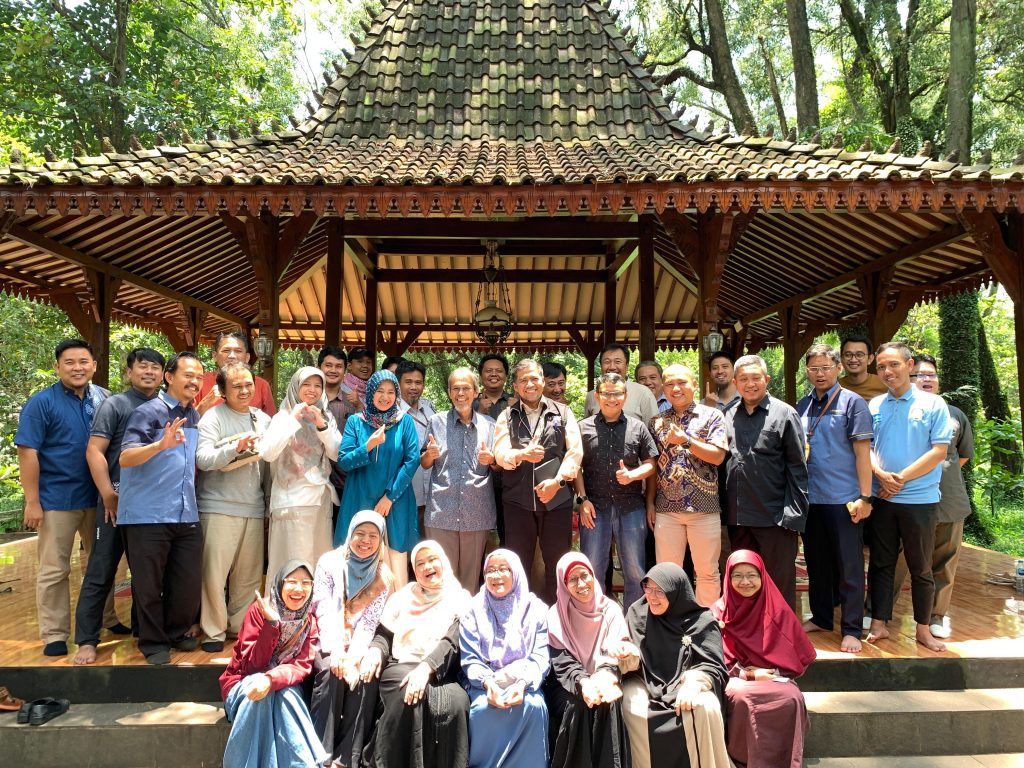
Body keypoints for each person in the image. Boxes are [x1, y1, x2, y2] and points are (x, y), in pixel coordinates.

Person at [16, 339, 109, 657]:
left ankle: (106, 619)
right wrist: (32, 501)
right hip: (57, 498)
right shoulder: (41, 403)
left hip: (99, 497)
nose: (77, 368)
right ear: (57, 367)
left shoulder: (104, 399)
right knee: (55, 569)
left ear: (94, 365)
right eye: (69, 362)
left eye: (83, 361)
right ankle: (54, 634)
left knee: (101, 563)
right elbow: (27, 452)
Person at [74, 347, 165, 665]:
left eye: (155, 367)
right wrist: (107, 493)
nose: (149, 372)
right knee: (101, 569)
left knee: (147, 574)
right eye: (143, 366)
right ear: (129, 371)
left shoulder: (165, 406)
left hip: (152, 506)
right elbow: (94, 451)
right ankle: (87, 639)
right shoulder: (115, 405)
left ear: (164, 374)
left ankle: (143, 632)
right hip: (115, 502)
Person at [118, 351, 204, 665]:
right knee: (148, 584)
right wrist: (159, 445)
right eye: (188, 375)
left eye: (199, 377)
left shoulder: (193, 415)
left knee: (186, 580)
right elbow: (125, 458)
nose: (194, 381)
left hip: (185, 511)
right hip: (147, 513)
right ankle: (153, 642)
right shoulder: (148, 412)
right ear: (169, 377)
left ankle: (176, 631)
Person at [866, 342, 952, 652]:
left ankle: (923, 629)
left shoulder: (933, 404)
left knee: (921, 568)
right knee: (881, 563)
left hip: (920, 501)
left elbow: (938, 451)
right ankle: (879, 623)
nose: (887, 371)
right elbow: (866, 448)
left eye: (894, 365)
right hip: (883, 498)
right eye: (881, 367)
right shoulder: (875, 405)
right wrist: (880, 474)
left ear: (909, 365)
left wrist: (899, 478)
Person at [797, 344, 873, 653]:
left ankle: (851, 628)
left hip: (844, 497)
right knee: (816, 563)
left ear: (838, 368)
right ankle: (821, 617)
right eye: (814, 368)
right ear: (807, 371)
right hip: (811, 498)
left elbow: (863, 454)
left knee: (849, 566)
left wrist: (865, 497)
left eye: (826, 368)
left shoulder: (853, 403)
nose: (820, 374)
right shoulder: (802, 404)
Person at [892, 354, 974, 639]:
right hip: (906, 497)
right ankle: (879, 610)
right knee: (897, 558)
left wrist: (938, 474)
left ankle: (936, 615)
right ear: (908, 376)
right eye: (920, 375)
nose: (926, 379)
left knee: (944, 560)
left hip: (948, 499)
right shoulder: (896, 409)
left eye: (931, 375)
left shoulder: (955, 414)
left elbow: (962, 455)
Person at [370, 540, 471, 768]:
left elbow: (453, 640)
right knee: (408, 696)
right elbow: (384, 634)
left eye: (432, 560)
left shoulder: (461, 599)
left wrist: (427, 667)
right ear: (414, 571)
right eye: (420, 563)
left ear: (444, 562)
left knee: (457, 703)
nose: (427, 567)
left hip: (441, 668)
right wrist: (375, 650)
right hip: (402, 663)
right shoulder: (402, 597)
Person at [195, 362, 273, 653]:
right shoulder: (212, 418)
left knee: (248, 576)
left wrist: (267, 506)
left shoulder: (263, 420)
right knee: (214, 575)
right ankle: (213, 631)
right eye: (236, 386)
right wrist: (235, 448)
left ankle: (239, 627)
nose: (244, 390)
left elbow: (269, 468)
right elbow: (203, 459)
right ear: (223, 391)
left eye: (248, 384)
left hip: (253, 506)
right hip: (218, 507)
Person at [712, 550, 816, 768]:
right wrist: (748, 674)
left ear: (762, 576)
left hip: (774, 678)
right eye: (737, 575)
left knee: (791, 697)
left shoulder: (778, 611)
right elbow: (711, 660)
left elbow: (798, 657)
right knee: (741, 697)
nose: (745, 582)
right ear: (728, 578)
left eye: (752, 575)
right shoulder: (718, 613)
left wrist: (772, 673)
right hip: (737, 679)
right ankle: (742, 762)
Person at [621, 563, 731, 768]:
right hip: (645, 682)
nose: (652, 597)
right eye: (648, 588)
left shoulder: (702, 621)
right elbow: (627, 658)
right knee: (631, 704)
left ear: (676, 592)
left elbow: (714, 666)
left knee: (706, 706)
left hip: (686, 684)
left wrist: (695, 681)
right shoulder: (637, 613)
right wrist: (627, 655)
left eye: (660, 591)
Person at [219, 560, 326, 768]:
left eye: (306, 583)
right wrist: (272, 624)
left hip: (282, 687)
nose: (299, 589)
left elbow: (300, 666)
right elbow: (250, 666)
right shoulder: (258, 612)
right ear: (279, 584)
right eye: (292, 582)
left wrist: (271, 680)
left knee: (285, 695)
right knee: (261, 693)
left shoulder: (309, 622)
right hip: (243, 683)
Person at [723, 355, 808, 611]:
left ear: (767, 379)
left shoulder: (785, 413)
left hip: (775, 517)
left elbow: (798, 468)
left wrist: (793, 516)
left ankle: (781, 634)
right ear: (735, 383)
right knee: (742, 584)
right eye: (744, 379)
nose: (750, 384)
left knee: (778, 585)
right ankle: (747, 632)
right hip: (737, 517)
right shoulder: (727, 414)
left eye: (756, 378)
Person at [310, 511, 395, 768]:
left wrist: (355, 657)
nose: (365, 541)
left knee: (366, 677)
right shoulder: (329, 563)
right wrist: (337, 651)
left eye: (373, 536)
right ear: (350, 534)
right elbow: (323, 608)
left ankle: (346, 758)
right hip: (326, 639)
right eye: (360, 533)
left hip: (358, 643)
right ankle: (320, 755)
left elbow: (369, 623)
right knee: (330, 672)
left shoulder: (383, 575)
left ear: (381, 540)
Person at [493, 359, 582, 601]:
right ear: (515, 386)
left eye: (534, 378)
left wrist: (558, 482)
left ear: (543, 381)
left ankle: (558, 613)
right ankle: (519, 612)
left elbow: (575, 452)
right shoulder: (506, 416)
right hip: (517, 502)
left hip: (556, 501)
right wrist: (522, 454)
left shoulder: (563, 412)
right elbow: (500, 453)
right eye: (524, 380)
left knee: (558, 563)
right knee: (518, 563)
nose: (530, 384)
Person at [544, 553, 639, 768]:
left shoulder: (610, 609)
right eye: (572, 579)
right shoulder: (556, 615)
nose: (581, 584)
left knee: (608, 701)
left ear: (593, 575)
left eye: (584, 575)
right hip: (566, 682)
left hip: (604, 675)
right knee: (578, 705)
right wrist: (584, 682)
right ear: (563, 584)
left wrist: (602, 676)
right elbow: (562, 662)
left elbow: (613, 653)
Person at [460, 549, 550, 768]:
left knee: (533, 705)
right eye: (490, 570)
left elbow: (540, 657)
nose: (496, 576)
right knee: (482, 709)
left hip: (525, 684)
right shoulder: (473, 609)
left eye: (503, 569)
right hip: (484, 684)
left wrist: (522, 684)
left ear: (515, 573)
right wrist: (488, 683)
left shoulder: (535, 609)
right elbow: (470, 658)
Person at [647, 364, 728, 607]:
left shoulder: (712, 416)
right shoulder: (656, 422)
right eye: (670, 384)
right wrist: (650, 502)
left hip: (704, 508)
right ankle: (671, 623)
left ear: (694, 384)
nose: (676, 388)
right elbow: (652, 466)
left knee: (707, 573)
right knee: (666, 573)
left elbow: (718, 457)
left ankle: (707, 624)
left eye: (682, 382)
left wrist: (686, 441)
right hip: (666, 509)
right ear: (663, 389)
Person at [575, 372, 658, 607]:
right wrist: (582, 500)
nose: (612, 399)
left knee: (635, 570)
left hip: (631, 507)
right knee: (592, 568)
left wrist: (633, 475)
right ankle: (595, 619)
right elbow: (575, 467)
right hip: (594, 508)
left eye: (617, 394)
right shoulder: (583, 427)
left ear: (625, 395)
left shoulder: (638, 427)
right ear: (597, 396)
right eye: (606, 394)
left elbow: (651, 463)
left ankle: (633, 622)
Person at [338, 370, 421, 586]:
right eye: (380, 391)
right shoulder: (356, 422)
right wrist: (368, 446)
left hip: (395, 499)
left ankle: (395, 607)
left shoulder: (405, 422)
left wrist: (389, 497)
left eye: (391, 392)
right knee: (359, 554)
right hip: (360, 496)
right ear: (370, 393)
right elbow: (344, 460)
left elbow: (412, 461)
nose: (385, 397)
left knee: (396, 561)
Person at [261, 367, 341, 583]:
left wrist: (321, 425)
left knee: (320, 564)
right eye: (306, 384)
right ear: (296, 386)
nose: (312, 390)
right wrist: (293, 419)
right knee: (293, 566)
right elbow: (268, 453)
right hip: (291, 501)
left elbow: (337, 453)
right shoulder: (282, 417)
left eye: (317, 385)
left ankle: (316, 606)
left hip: (320, 501)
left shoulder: (325, 416)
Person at [421, 367, 498, 589]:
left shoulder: (490, 425)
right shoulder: (436, 421)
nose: (461, 394)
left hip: (476, 512)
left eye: (466, 388)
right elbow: (425, 463)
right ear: (449, 392)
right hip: (441, 512)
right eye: (455, 389)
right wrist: (429, 455)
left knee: (470, 581)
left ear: (476, 392)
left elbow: (498, 466)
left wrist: (491, 460)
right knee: (441, 579)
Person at [194, 331, 276, 417]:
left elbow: (271, 422)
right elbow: (187, 421)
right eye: (226, 350)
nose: (232, 356)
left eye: (238, 351)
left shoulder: (262, 385)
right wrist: (206, 402)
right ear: (214, 356)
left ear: (247, 357)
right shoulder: (200, 381)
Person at [396, 360, 436, 533]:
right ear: (398, 383)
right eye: (408, 382)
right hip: (404, 488)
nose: (414, 387)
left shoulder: (429, 409)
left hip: (430, 487)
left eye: (418, 382)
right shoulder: (391, 412)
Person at [584, 343, 658, 425]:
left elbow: (654, 429)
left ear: (627, 366)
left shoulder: (643, 393)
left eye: (618, 362)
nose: (612, 367)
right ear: (601, 366)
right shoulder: (591, 396)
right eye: (607, 362)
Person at [838, 335, 888, 400]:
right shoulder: (835, 387)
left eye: (859, 355)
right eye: (848, 355)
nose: (853, 360)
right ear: (841, 358)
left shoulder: (885, 384)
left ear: (870, 359)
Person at [475, 353, 516, 418]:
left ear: (506, 377)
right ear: (480, 377)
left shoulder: (517, 402)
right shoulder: (470, 404)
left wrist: (519, 412)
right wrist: (479, 413)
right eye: (488, 371)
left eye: (499, 371)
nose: (494, 374)